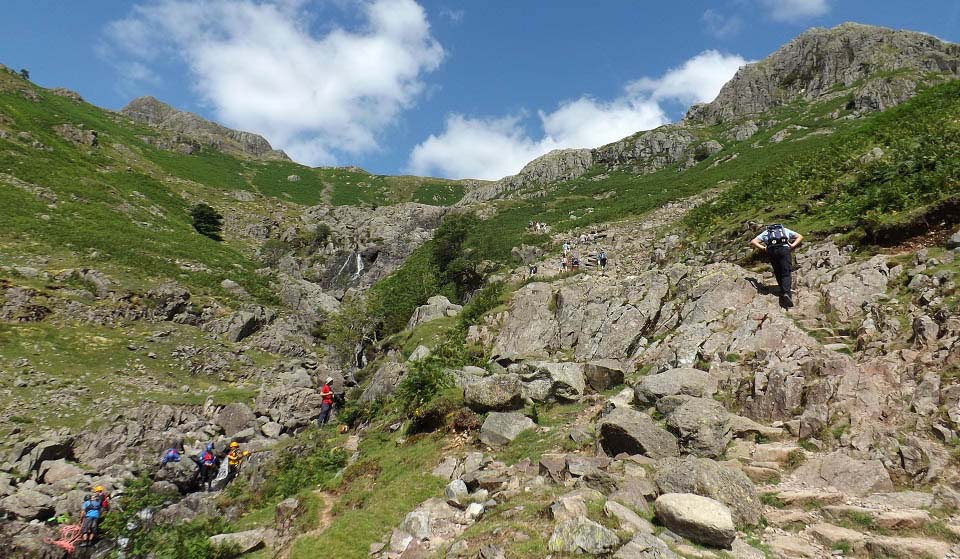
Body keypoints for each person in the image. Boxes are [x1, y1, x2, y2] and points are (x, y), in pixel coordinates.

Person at [751, 223, 803, 307]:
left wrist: (763, 248)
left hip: (772, 251)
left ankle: (782, 290)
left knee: (777, 271)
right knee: (786, 271)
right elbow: (800, 236)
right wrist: (792, 245)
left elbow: (753, 241)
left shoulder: (767, 232)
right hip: (784, 249)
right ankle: (786, 293)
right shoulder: (785, 230)